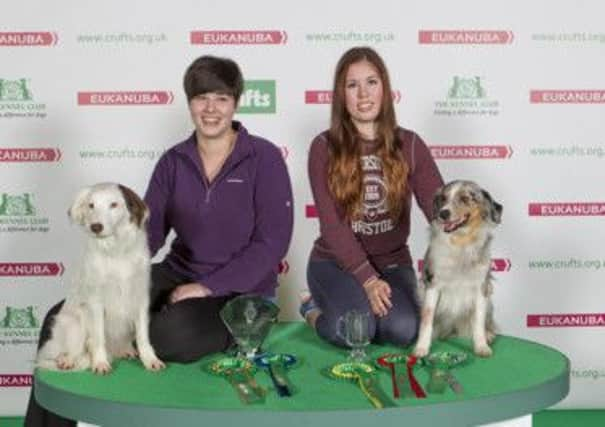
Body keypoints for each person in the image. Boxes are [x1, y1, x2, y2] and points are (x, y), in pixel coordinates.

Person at [24, 55, 294, 426]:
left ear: (236, 101)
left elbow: (272, 244)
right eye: (201, 98)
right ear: (189, 103)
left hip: (242, 294)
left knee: (169, 332)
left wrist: (207, 286)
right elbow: (147, 232)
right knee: (65, 314)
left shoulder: (263, 158)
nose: (211, 109)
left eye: (221, 98)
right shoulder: (174, 161)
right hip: (177, 274)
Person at [301, 46, 443, 349]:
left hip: (392, 264)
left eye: (371, 82)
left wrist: (465, 243)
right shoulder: (323, 147)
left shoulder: (411, 144)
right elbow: (333, 227)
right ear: (342, 96)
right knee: (354, 331)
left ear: (385, 88)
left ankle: (367, 311)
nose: (363, 94)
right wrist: (367, 280)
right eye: (352, 85)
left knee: (404, 330)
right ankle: (311, 309)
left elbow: (439, 210)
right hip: (334, 263)